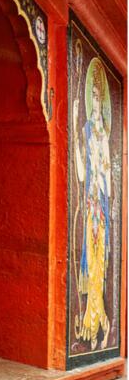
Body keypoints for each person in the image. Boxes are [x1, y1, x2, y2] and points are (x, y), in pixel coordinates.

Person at [73, 58, 112, 350]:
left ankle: (101, 326)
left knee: (100, 268)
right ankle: (93, 322)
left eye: (100, 98)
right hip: (90, 210)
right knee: (91, 265)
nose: (96, 103)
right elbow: (84, 173)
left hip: (100, 212)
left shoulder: (103, 136)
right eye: (94, 98)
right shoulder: (88, 132)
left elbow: (108, 181)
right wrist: (75, 135)